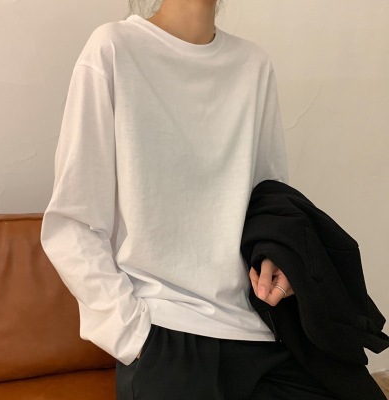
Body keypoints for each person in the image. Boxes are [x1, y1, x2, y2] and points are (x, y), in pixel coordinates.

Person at [40, 1, 338, 399]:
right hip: (163, 333)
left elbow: (268, 202)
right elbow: (73, 224)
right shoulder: (113, 48)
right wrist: (133, 335)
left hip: (260, 330)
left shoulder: (253, 65)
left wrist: (275, 257)